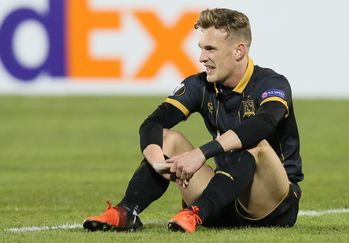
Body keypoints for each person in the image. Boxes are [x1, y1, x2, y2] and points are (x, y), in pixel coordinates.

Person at [83, 8, 303, 233]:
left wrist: (201, 153)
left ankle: (196, 212)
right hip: (224, 196)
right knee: (167, 138)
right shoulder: (200, 84)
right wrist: (157, 159)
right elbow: (153, 123)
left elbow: (263, 124)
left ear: (239, 51)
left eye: (210, 49)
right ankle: (127, 211)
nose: (201, 58)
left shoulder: (271, 83)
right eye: (201, 48)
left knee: (256, 144)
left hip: (272, 205)